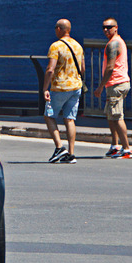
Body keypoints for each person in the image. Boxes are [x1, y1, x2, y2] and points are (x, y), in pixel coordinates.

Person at [42, 19, 85, 164]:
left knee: (49, 115)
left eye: (55, 27)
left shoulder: (56, 46)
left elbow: (50, 69)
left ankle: (59, 147)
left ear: (60, 29)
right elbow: (83, 69)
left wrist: (44, 88)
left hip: (60, 87)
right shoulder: (78, 46)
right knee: (70, 119)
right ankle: (71, 154)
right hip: (76, 87)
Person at [93, 18, 132, 159]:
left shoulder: (113, 44)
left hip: (116, 84)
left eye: (109, 27)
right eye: (103, 27)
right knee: (111, 114)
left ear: (116, 27)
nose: (105, 30)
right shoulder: (117, 41)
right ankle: (115, 146)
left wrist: (100, 87)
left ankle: (126, 149)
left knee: (117, 116)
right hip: (116, 83)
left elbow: (110, 67)